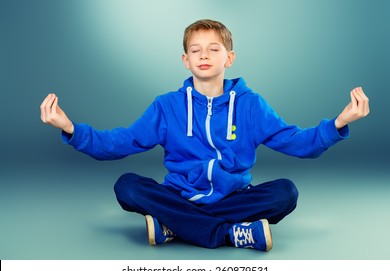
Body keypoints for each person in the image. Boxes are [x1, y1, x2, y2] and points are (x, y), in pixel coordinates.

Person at [40, 19, 369, 252]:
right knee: (126, 186)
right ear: (186, 60)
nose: (204, 55)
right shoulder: (166, 106)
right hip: (180, 194)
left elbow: (297, 143)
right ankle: (229, 234)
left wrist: (339, 122)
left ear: (229, 58)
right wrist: (71, 129)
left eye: (214, 49)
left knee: (286, 193)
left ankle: (175, 225)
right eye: (195, 50)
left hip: (235, 196)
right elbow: (121, 142)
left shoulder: (250, 105)